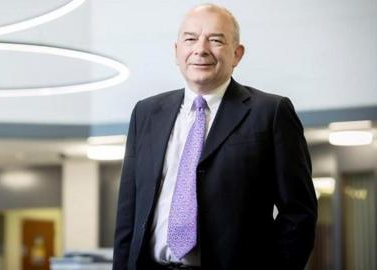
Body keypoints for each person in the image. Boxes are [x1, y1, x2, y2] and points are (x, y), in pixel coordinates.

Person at [113, 4, 317, 270]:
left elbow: (299, 213)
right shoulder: (146, 113)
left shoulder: (271, 112)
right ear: (176, 51)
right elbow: (128, 214)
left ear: (237, 54)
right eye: (190, 39)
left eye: (216, 40)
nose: (200, 49)